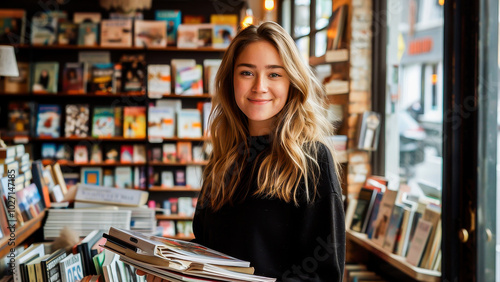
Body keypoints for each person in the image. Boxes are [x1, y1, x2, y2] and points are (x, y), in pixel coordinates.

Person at [138, 21, 345, 281]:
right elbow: (209, 247)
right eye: (247, 73)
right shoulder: (224, 156)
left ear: (292, 82)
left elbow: (324, 275)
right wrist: (172, 267)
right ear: (231, 80)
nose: (259, 86)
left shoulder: (312, 159)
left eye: (274, 74)